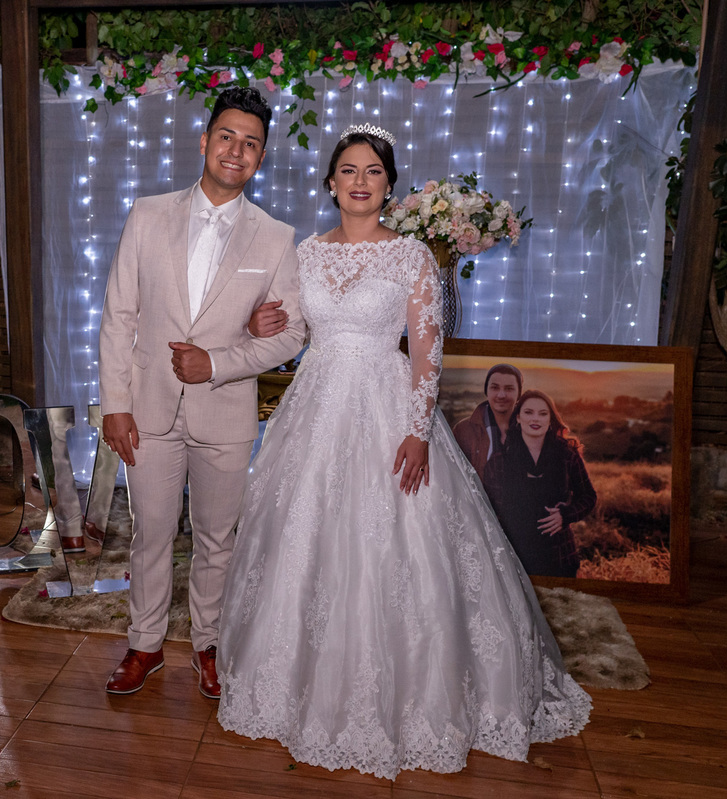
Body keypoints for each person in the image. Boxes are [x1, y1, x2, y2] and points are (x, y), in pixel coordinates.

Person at [217, 123, 590, 780]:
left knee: (399, 543)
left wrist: (417, 431)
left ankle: (422, 694)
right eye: (349, 170)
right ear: (330, 182)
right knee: (304, 538)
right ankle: (291, 686)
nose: (360, 181)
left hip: (389, 407)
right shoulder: (306, 253)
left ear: (388, 186)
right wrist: (257, 323)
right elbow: (295, 331)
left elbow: (426, 350)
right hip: (316, 405)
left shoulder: (412, 255)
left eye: (373, 172)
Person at [97, 87, 307, 699]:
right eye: (227, 137)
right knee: (150, 535)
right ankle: (145, 645)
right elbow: (119, 316)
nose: (236, 151)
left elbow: (291, 334)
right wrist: (115, 404)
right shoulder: (147, 214)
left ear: (261, 157)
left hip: (226, 413)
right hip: (147, 409)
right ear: (204, 141)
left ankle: (209, 645)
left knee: (218, 539)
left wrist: (215, 363)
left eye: (251, 143)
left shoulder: (275, 237)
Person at [482, 390, 597, 578]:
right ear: (518, 417)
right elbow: (486, 509)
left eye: (543, 414)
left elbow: (588, 496)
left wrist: (566, 515)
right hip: (513, 556)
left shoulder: (567, 455)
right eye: (528, 412)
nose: (535, 418)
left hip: (560, 556)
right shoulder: (499, 461)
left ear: (550, 419)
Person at [452, 363, 522, 480]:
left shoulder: (531, 429)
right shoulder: (464, 430)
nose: (501, 395)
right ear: (486, 391)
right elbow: (454, 475)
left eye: (509, 388)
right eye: (495, 387)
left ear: (519, 393)